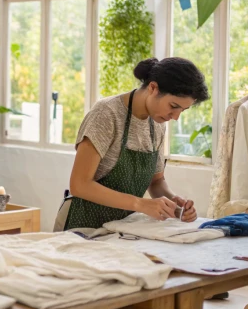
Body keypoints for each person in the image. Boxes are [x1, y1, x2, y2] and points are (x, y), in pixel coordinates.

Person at [55, 57, 210, 231]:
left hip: (119, 229)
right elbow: (79, 185)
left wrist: (173, 203)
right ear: (153, 88)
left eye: (182, 110)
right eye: (173, 106)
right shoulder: (106, 114)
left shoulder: (157, 125)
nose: (175, 117)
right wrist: (140, 204)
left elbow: (156, 182)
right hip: (82, 226)